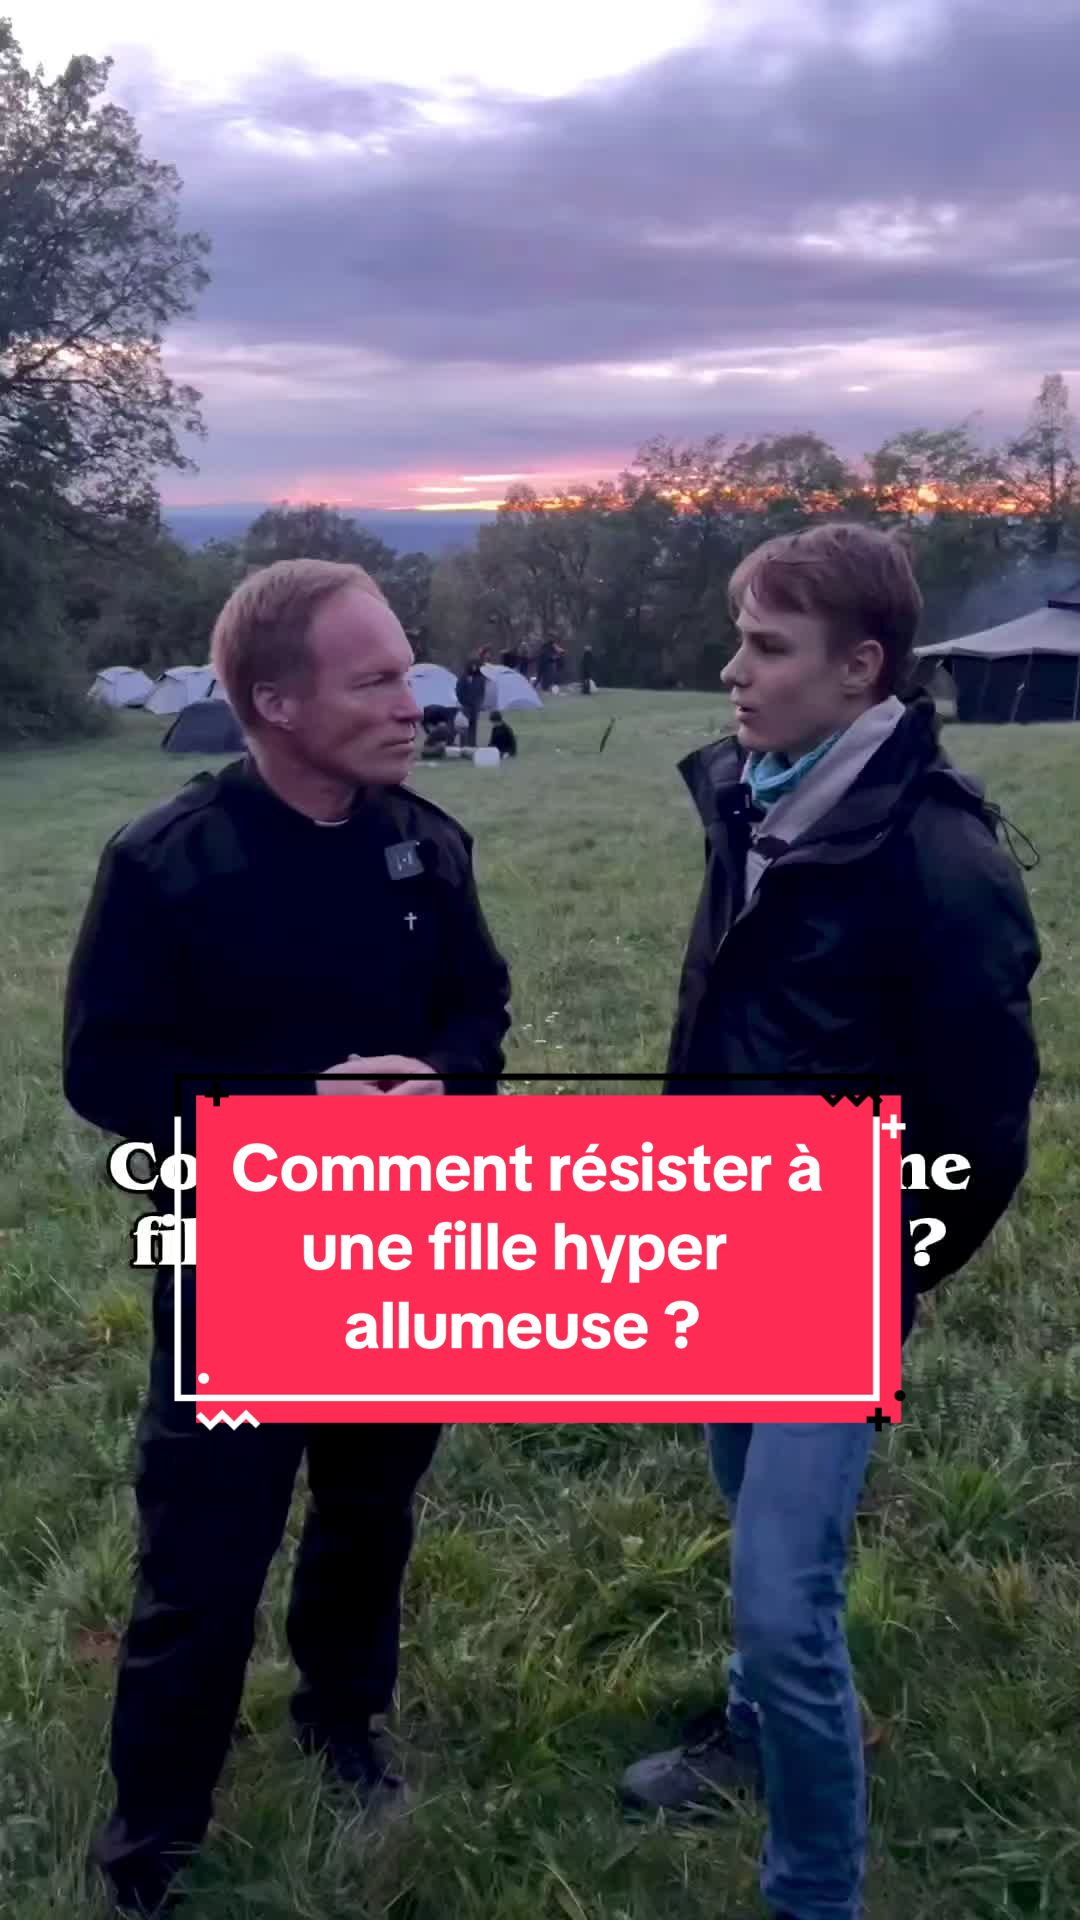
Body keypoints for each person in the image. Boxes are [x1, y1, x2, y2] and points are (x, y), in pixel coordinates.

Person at [63, 558, 511, 1916]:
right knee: (205, 1554)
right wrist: (285, 1115)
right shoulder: (168, 863)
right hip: (239, 1264)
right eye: (373, 680)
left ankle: (342, 1722)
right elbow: (106, 1070)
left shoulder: (427, 846)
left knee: (370, 1512)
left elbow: (479, 1013)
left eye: (408, 669)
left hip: (399, 1254)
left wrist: (442, 1077)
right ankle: (154, 1834)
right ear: (273, 702)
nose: (414, 701)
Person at [620, 522, 1040, 1920]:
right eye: (739, 639)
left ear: (861, 669)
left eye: (766, 646)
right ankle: (754, 1734)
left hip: (832, 1272)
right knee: (744, 1504)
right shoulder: (754, 797)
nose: (732, 671)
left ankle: (815, 1890)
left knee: (780, 1600)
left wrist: (878, 1271)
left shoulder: (941, 857)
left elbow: (983, 1131)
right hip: (723, 1238)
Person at [455, 652, 487, 747]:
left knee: (473, 726)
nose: (474, 667)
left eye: (476, 665)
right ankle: (463, 745)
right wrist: (463, 702)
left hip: (475, 705)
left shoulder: (480, 677)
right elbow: (459, 691)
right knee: (464, 725)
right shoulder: (463, 677)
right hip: (466, 705)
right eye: (472, 665)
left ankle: (472, 744)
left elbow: (482, 691)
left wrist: (479, 702)